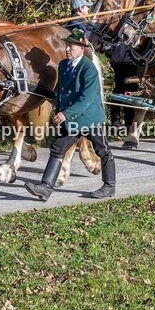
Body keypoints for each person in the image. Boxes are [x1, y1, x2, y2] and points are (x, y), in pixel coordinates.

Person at [25, 29, 116, 201]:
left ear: (82, 48)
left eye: (71, 47)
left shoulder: (89, 69)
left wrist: (65, 114)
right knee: (57, 149)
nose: (67, 49)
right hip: (71, 120)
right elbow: (61, 91)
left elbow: (86, 98)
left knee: (102, 150)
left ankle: (109, 187)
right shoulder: (63, 65)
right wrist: (57, 110)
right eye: (67, 46)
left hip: (89, 119)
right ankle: (45, 188)